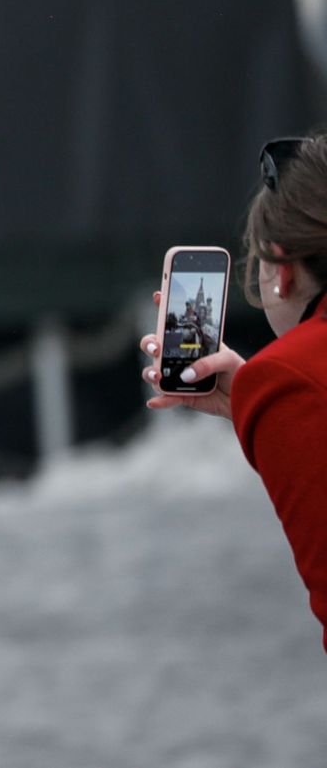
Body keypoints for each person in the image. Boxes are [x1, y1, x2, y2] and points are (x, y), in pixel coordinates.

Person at [140, 134, 327, 651]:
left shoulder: (288, 379)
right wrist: (251, 399)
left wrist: (272, 398)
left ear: (282, 269)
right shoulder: (282, 384)